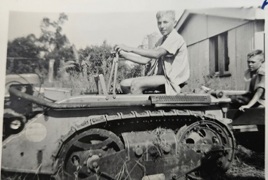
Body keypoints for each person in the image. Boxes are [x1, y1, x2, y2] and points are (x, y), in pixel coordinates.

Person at [115, 10, 190, 95]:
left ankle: (140, 108)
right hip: (161, 78)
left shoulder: (175, 38)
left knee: (136, 85)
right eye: (159, 23)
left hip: (172, 80)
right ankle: (137, 103)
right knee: (124, 84)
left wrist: (129, 48)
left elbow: (156, 54)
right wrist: (124, 55)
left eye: (165, 22)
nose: (162, 26)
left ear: (174, 23)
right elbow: (145, 60)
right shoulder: (161, 40)